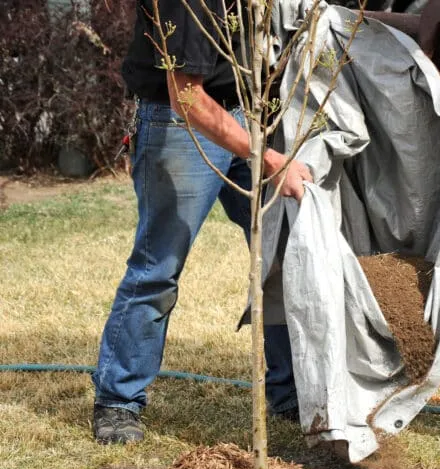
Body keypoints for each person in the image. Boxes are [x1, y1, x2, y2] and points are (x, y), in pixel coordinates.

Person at [92, 0, 308, 444]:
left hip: (245, 113)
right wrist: (267, 158)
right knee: (158, 268)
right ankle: (118, 401)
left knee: (281, 255)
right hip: (181, 123)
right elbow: (186, 97)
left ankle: (289, 393)